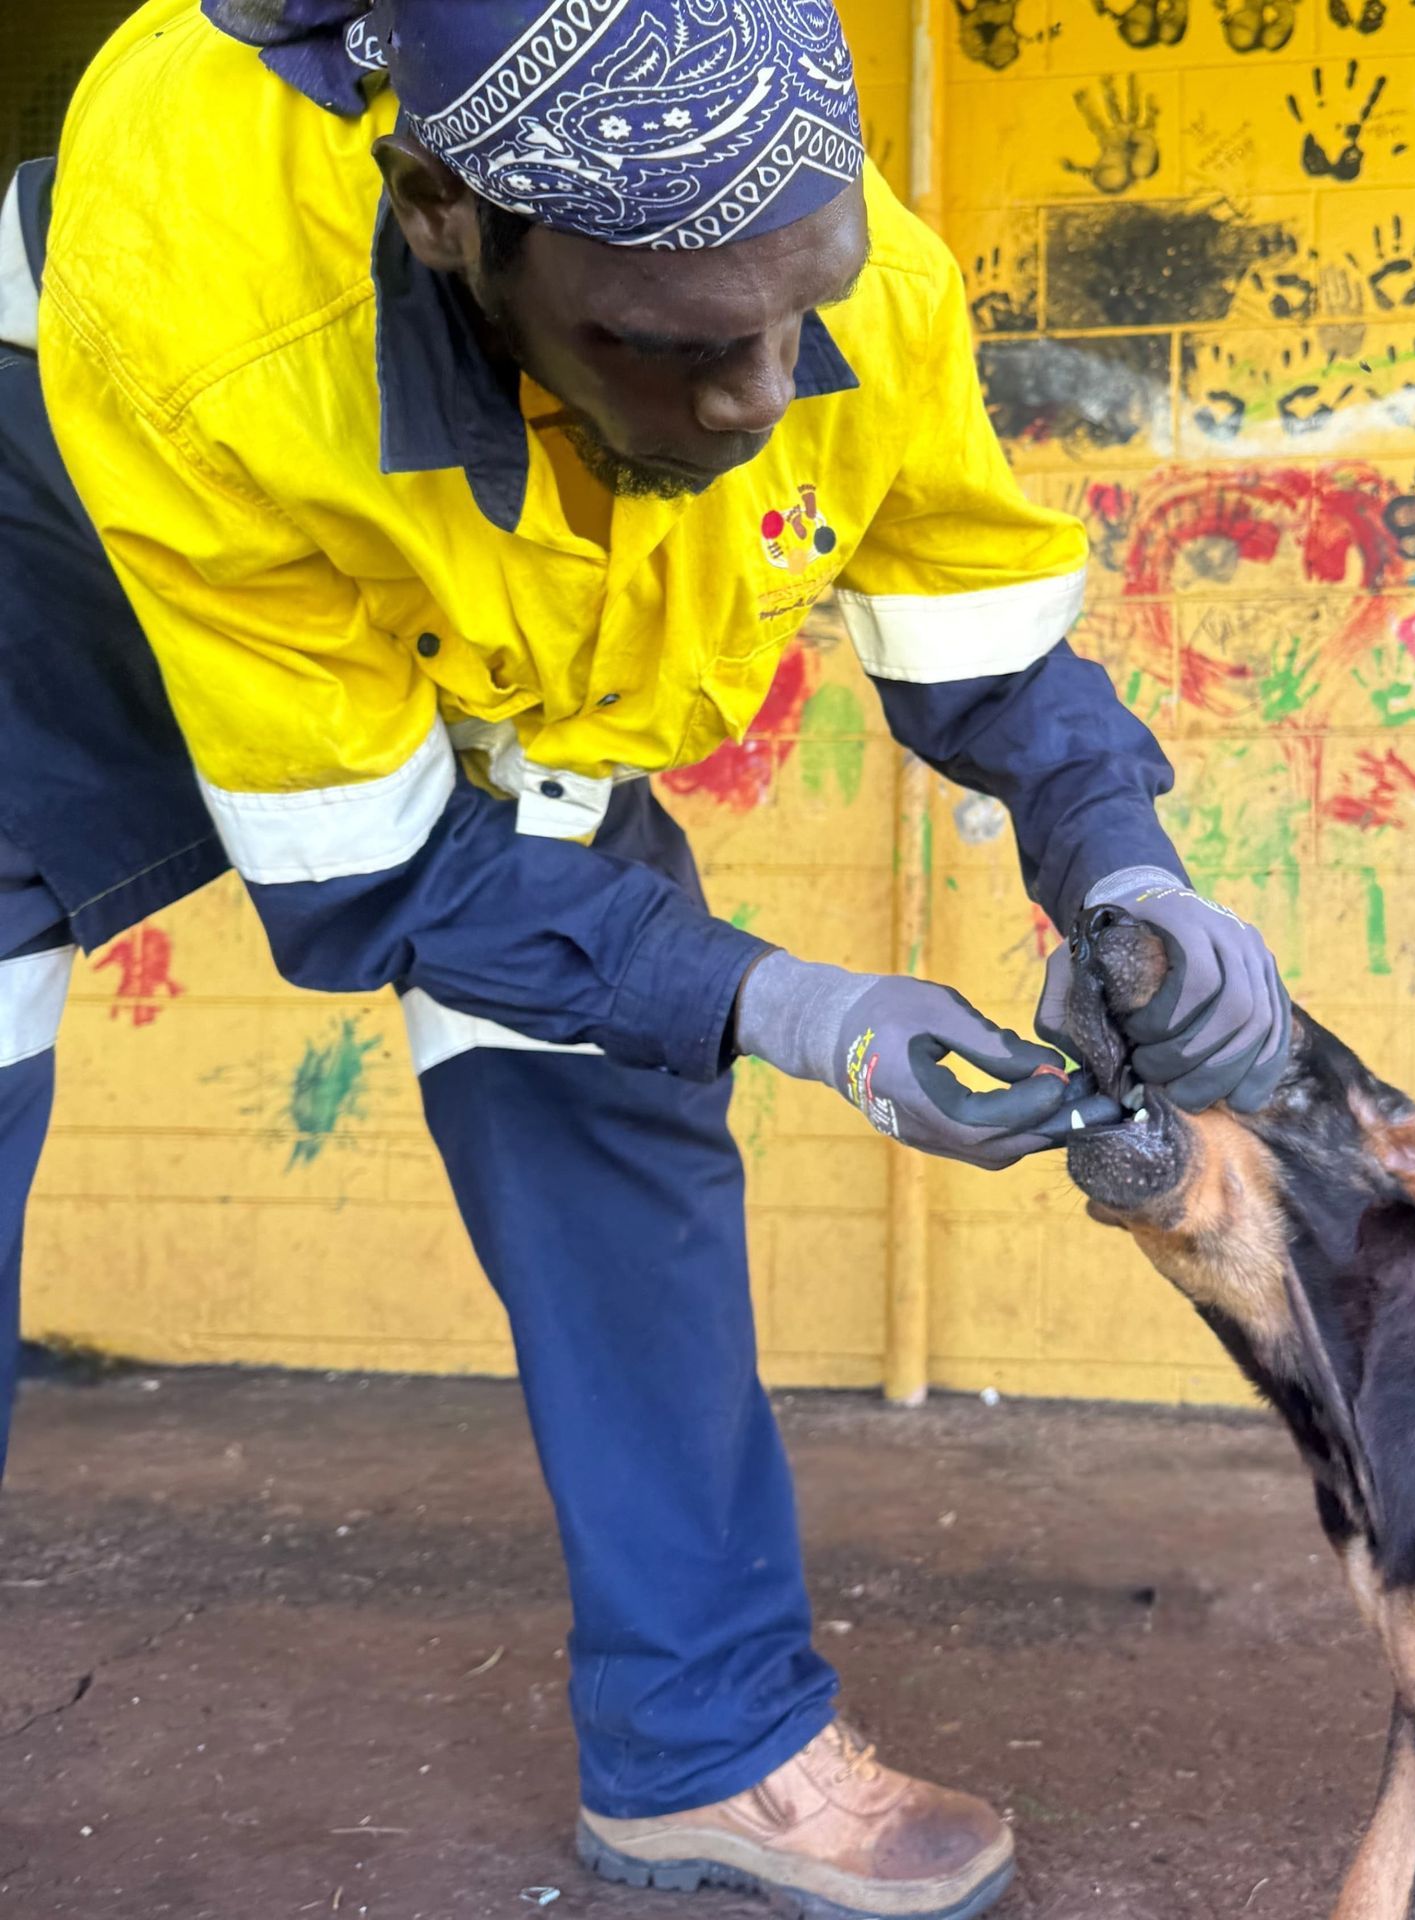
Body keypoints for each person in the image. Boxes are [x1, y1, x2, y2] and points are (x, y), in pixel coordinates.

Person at [0, 2, 1290, 1913]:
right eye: (676, 348)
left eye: (800, 317)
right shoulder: (222, 325)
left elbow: (978, 635)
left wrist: (1130, 868)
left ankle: (711, 1752)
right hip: (74, 545)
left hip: (498, 612)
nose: (762, 399)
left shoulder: (827, 269)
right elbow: (375, 881)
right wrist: (795, 1009)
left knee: (616, 1092)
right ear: (448, 212)